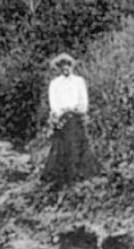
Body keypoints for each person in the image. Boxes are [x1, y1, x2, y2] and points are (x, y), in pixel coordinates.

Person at [41, 53, 100, 189]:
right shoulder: (55, 83)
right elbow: (53, 102)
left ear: (72, 66)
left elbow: (83, 99)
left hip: (76, 116)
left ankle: (81, 173)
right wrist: (60, 112)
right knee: (62, 145)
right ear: (59, 68)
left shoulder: (79, 81)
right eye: (62, 67)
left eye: (67, 66)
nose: (65, 69)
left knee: (79, 143)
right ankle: (62, 176)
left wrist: (79, 110)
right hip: (62, 117)